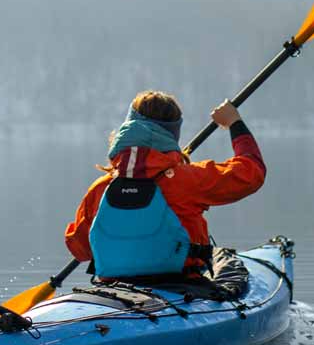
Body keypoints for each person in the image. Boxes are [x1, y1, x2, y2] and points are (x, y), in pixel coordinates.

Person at [64, 90, 266, 279]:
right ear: (173, 135)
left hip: (113, 285)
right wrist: (234, 123)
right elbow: (252, 172)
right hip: (182, 282)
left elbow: (80, 250)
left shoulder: (101, 188)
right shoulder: (189, 180)